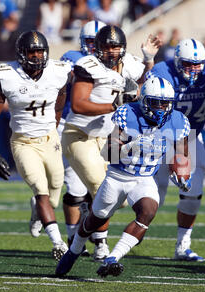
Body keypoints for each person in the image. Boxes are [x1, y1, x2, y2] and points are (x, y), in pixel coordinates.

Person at [55, 76, 191, 277]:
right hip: (117, 176)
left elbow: (182, 153)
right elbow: (107, 153)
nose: (162, 108)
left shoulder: (178, 120)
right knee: (95, 220)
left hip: (144, 179)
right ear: (144, 101)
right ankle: (74, 250)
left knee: (148, 211)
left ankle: (112, 258)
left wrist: (181, 173)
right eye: (156, 103)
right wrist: (130, 146)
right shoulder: (128, 114)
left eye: (166, 104)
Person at [60, 25, 162, 261]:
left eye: (116, 46)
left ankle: (88, 210)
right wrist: (115, 106)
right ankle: (101, 244)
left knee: (122, 199)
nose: (112, 51)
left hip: (108, 137)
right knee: (100, 187)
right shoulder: (88, 66)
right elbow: (78, 104)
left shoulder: (130, 63)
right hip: (80, 135)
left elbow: (145, 85)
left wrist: (148, 60)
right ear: (97, 48)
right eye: (107, 46)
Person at [0, 30, 72, 261]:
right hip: (23, 142)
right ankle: (58, 243)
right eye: (31, 51)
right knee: (41, 190)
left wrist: (53, 129)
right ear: (21, 54)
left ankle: (36, 211)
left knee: (54, 191)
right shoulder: (6, 75)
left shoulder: (59, 72)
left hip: (50, 139)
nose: (36, 56)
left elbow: (60, 104)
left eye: (40, 51)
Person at [147, 38, 205, 261]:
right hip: (161, 137)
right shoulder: (163, 71)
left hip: (191, 137)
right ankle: (103, 233)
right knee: (152, 199)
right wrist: (147, 61)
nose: (193, 69)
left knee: (193, 193)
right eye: (188, 64)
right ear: (177, 61)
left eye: (197, 64)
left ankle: (183, 245)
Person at [59, 19, 106, 259]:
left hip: (103, 129)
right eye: (90, 42)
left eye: (98, 43)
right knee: (76, 188)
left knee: (103, 186)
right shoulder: (72, 56)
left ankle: (100, 240)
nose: (94, 48)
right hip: (72, 126)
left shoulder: (115, 61)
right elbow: (64, 82)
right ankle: (71, 236)